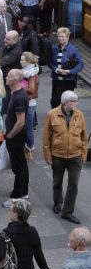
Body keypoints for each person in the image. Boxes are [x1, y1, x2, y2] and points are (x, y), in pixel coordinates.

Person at [42, 91, 88, 225]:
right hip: (58, 155)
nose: (76, 104)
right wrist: (47, 155)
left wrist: (83, 154)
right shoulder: (52, 114)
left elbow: (84, 137)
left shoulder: (79, 115)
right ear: (65, 102)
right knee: (57, 181)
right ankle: (57, 202)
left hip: (75, 156)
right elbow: (46, 137)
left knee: (73, 184)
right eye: (73, 101)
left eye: (76, 101)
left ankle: (67, 212)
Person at [2, 69, 29, 208]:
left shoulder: (19, 97)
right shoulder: (15, 93)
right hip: (16, 137)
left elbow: (20, 122)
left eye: (9, 76)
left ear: (15, 80)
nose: (6, 77)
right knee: (22, 165)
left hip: (16, 138)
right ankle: (23, 192)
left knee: (18, 167)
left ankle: (16, 197)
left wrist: (9, 136)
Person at [49, 27, 84, 109]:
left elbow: (81, 64)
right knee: (55, 101)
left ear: (67, 37)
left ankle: (67, 116)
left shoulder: (74, 49)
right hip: (56, 79)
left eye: (63, 36)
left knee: (67, 102)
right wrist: (56, 69)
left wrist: (70, 71)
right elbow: (50, 62)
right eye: (59, 36)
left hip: (69, 80)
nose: (60, 38)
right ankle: (55, 116)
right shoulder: (54, 48)